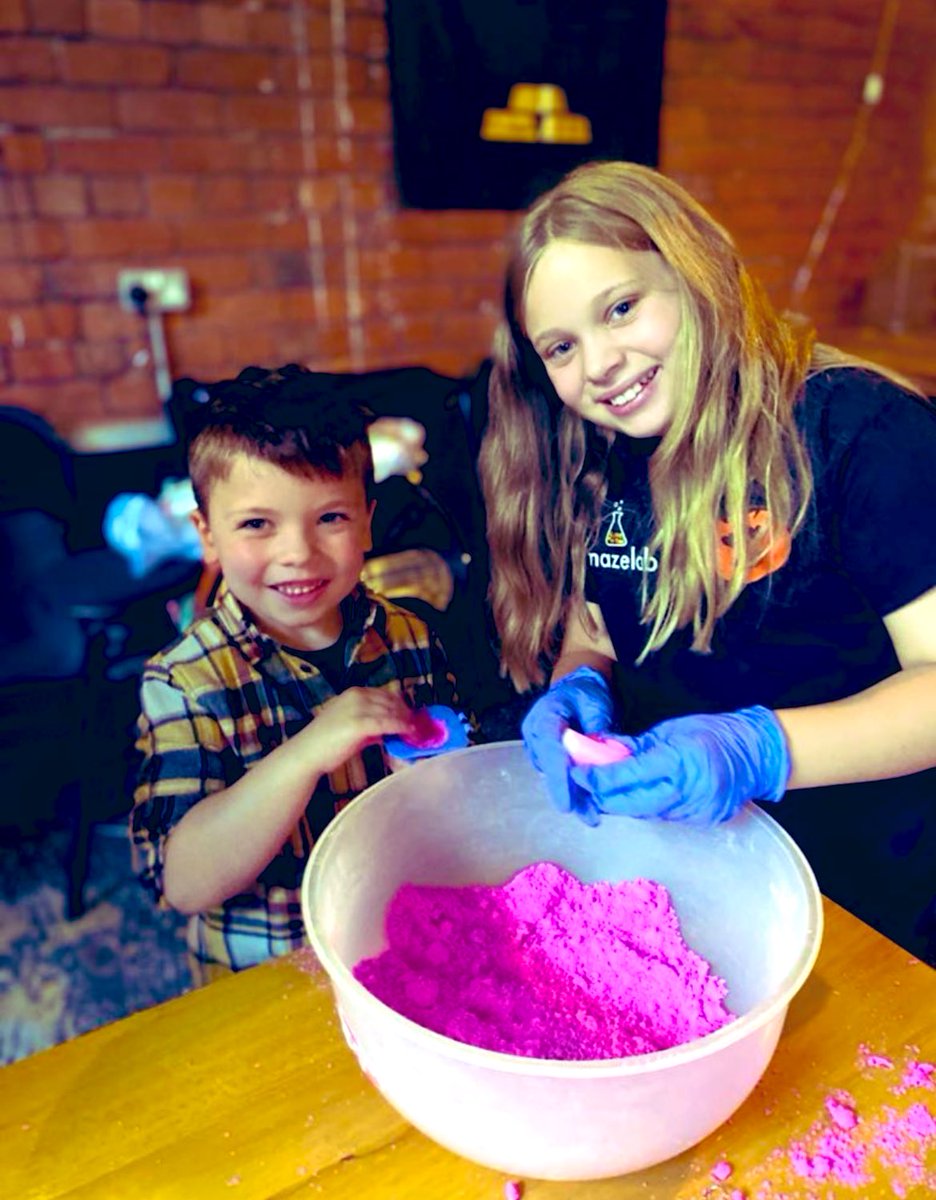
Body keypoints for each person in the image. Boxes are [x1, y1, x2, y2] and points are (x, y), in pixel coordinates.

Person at [478, 160, 936, 962]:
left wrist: (763, 751)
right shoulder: (606, 452)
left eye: (621, 308)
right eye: (561, 347)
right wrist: (579, 683)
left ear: (693, 273)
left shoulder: (857, 429)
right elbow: (598, 626)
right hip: (698, 886)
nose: (600, 365)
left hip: (880, 900)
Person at [131, 366, 460, 982]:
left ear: (367, 519)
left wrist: (434, 777)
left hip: (396, 948)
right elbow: (186, 880)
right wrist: (306, 753)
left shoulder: (410, 636)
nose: (298, 553)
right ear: (207, 535)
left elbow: (447, 796)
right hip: (269, 976)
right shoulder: (183, 681)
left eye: (330, 518)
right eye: (257, 524)